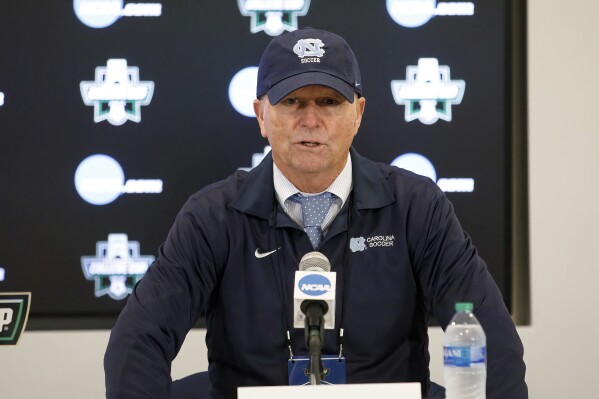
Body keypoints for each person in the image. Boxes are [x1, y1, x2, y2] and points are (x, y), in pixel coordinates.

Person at [104, 28, 527, 399]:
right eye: (292, 101)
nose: (311, 119)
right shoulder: (211, 217)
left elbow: (490, 339)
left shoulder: (417, 208)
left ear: (358, 113)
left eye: (328, 101)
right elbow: (138, 342)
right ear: (262, 116)